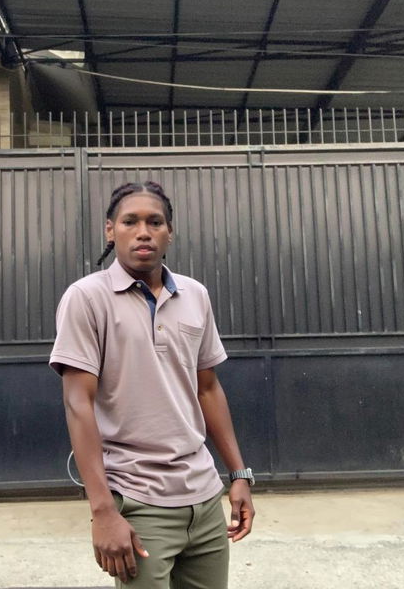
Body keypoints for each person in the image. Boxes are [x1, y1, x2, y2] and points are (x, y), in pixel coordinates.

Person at [50, 181, 254, 588]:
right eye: (130, 221)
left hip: (204, 497)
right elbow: (78, 404)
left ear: (169, 232)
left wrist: (239, 475)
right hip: (139, 501)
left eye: (154, 221)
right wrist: (103, 511)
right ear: (111, 230)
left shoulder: (195, 295)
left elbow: (208, 389)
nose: (143, 231)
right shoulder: (87, 298)